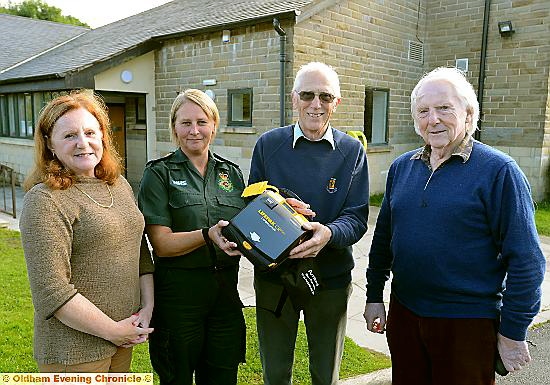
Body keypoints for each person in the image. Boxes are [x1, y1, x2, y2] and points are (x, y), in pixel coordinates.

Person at [363, 67, 546, 385]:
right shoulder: (401, 168)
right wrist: (374, 295)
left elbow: (527, 262)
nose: (433, 119)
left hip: (466, 324)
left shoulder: (499, 171)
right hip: (405, 315)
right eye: (423, 111)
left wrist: (513, 331)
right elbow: (383, 241)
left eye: (444, 108)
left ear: (468, 113)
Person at [249, 61, 370, 385]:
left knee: (324, 374)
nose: (316, 104)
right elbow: (251, 203)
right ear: (294, 99)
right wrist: (278, 205)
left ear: (337, 102)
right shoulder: (268, 145)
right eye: (307, 95)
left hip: (328, 280)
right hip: (274, 279)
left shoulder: (352, 151)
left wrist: (328, 233)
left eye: (325, 97)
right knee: (275, 374)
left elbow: (357, 218)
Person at [19, 91, 154, 372]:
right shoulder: (45, 200)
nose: (83, 143)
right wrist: (113, 331)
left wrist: (147, 308)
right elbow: (51, 291)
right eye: (69, 136)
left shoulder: (119, 185)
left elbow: (140, 254)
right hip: (73, 350)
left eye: (90, 132)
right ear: (49, 144)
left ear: (103, 136)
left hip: (123, 338)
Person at [138, 89, 246, 385]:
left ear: (214, 124)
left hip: (225, 298)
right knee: (178, 378)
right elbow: (161, 244)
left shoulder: (232, 174)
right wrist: (206, 235)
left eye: (202, 121)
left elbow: (249, 226)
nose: (194, 130)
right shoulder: (158, 174)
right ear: (174, 127)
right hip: (179, 300)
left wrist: (286, 211)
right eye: (185, 123)